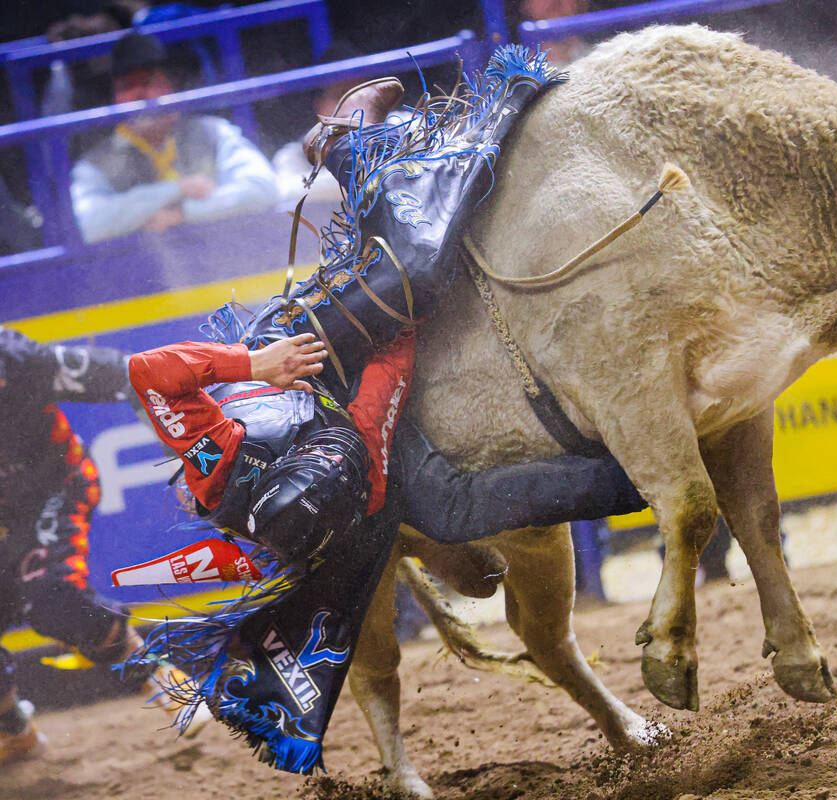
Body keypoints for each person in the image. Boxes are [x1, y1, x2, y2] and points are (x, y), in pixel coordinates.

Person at [126, 47, 646, 773]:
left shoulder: (225, 467)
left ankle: (349, 141)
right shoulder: (363, 489)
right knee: (528, 490)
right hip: (387, 472)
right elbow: (394, 379)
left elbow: (149, 370)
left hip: (297, 350)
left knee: (417, 275)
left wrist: (256, 365)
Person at [0, 326, 205, 767]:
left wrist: (185, 453)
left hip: (54, 485)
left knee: (52, 594)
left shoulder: (17, 359)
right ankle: (15, 732)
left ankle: (160, 677)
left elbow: (128, 374)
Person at [68, 32, 277, 244]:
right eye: (126, 87)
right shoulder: (95, 164)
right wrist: (176, 189)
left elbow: (262, 189)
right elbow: (87, 225)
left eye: (148, 82)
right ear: (114, 98)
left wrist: (183, 214)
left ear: (172, 86)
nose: (139, 94)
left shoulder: (213, 132)